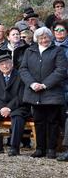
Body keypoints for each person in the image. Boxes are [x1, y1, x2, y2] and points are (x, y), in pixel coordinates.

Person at [19, 27, 68, 158]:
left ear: (50, 38)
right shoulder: (29, 51)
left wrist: (45, 85)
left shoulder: (57, 50)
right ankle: (40, 148)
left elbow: (61, 70)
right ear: (37, 39)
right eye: (41, 38)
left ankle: (51, 149)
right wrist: (33, 83)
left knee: (53, 121)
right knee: (38, 120)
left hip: (52, 93)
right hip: (34, 92)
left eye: (46, 37)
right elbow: (23, 69)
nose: (44, 40)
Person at [0, 53, 27, 155]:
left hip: (18, 106)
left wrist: (9, 108)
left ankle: (14, 148)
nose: (5, 66)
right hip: (1, 107)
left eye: (7, 63)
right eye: (1, 64)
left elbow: (21, 96)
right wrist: (2, 107)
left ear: (12, 63)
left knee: (17, 117)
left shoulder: (21, 76)